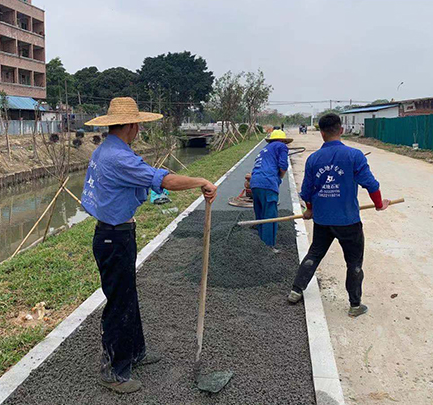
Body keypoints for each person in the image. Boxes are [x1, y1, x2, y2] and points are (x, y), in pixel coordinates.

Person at [81, 97, 217, 394]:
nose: (140, 128)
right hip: (113, 237)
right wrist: (200, 182)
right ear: (132, 125)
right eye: (139, 124)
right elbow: (163, 180)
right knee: (119, 302)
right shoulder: (118, 157)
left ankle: (136, 351)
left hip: (115, 233)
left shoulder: (107, 149)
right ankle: (114, 370)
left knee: (127, 295)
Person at [287, 113, 389, 317]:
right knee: (354, 262)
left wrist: (310, 209)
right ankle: (354, 305)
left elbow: (308, 191)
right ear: (341, 130)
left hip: (323, 221)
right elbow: (371, 184)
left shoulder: (314, 159)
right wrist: (379, 204)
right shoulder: (354, 156)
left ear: (322, 134)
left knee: (314, 254)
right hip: (348, 221)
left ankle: (296, 291)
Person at [249, 129, 292, 253]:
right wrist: (279, 178)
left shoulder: (264, 149)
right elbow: (283, 165)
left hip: (255, 183)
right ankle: (268, 247)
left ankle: (260, 244)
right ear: (282, 140)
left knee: (260, 215)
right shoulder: (281, 146)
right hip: (267, 183)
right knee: (270, 216)